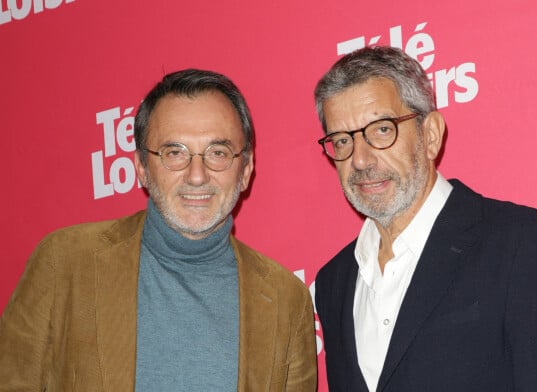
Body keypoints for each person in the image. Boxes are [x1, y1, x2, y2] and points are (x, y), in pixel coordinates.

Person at [0, 69, 317, 391]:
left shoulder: (287, 300)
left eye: (218, 153)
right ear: (141, 167)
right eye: (174, 153)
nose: (197, 175)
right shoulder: (65, 262)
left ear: (246, 170)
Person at [313, 46, 537, 392]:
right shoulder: (334, 281)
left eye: (381, 130)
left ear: (431, 136)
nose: (360, 160)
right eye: (342, 140)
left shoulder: (524, 246)